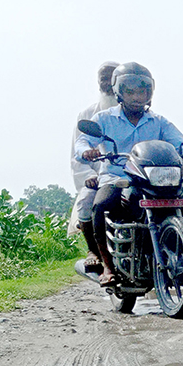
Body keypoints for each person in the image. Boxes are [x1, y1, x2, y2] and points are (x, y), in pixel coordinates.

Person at [74, 62, 183, 285]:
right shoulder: (104, 119)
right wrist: (86, 151)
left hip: (152, 179)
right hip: (118, 177)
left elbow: (182, 142)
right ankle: (107, 266)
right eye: (131, 91)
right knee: (100, 206)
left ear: (150, 93)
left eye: (143, 91)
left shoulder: (159, 122)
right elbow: (83, 141)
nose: (137, 96)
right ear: (119, 91)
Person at [69, 61, 118, 266]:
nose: (107, 83)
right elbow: (77, 153)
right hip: (100, 177)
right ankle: (94, 251)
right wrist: (89, 176)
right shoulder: (87, 115)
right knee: (88, 201)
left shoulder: (136, 111)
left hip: (134, 175)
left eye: (111, 78)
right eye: (103, 79)